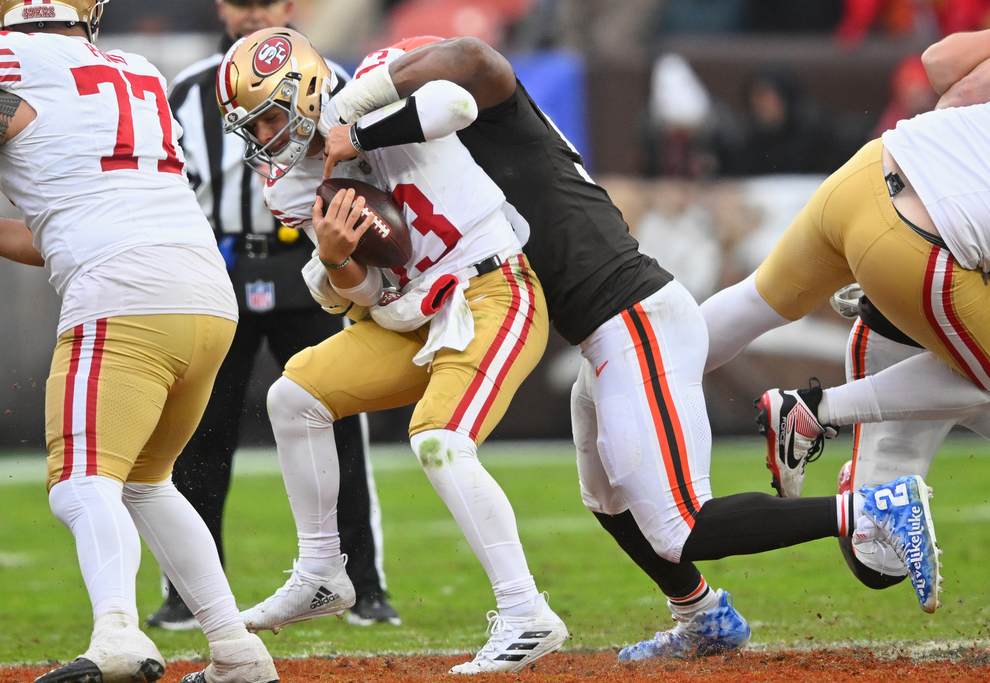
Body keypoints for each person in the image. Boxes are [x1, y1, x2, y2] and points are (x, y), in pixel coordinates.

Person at [316, 34, 945, 659]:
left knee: (680, 526)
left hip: (632, 316)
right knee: (607, 498)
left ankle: (872, 508)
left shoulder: (494, 112)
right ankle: (701, 616)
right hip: (606, 332)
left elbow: (473, 59)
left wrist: (359, 115)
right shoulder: (436, 180)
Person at [216, 28, 570, 674]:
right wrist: (334, 258)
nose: (263, 135)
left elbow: (458, 105)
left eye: (267, 116)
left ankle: (526, 610)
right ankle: (324, 569)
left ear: (305, 90)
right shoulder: (292, 187)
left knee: (439, 439)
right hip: (408, 317)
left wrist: (356, 130)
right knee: (293, 396)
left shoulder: (382, 79)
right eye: (252, 124)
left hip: (491, 286)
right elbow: (367, 293)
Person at [0, 2, 276, 682]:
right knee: (145, 481)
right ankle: (236, 651)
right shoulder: (135, 71)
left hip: (123, 295)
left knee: (80, 481)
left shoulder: (3, 59)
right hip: (202, 295)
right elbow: (71, 219)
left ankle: (119, 634)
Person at [145, 0, 398, 632]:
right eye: (241, 3)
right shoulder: (191, 91)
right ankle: (188, 591)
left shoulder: (334, 81)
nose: (254, 14)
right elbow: (170, 185)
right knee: (199, 429)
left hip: (310, 264)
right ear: (221, 9)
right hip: (222, 265)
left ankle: (362, 582)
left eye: (265, 2)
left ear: (288, 7)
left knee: (337, 415)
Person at [698, 27, 990, 509]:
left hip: (874, 168)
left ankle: (634, 374)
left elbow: (947, 77)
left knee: (755, 299)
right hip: (916, 243)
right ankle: (814, 411)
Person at [829, 284, 990, 588]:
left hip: (974, 350)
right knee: (880, 563)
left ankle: (817, 408)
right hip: (905, 343)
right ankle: (814, 408)